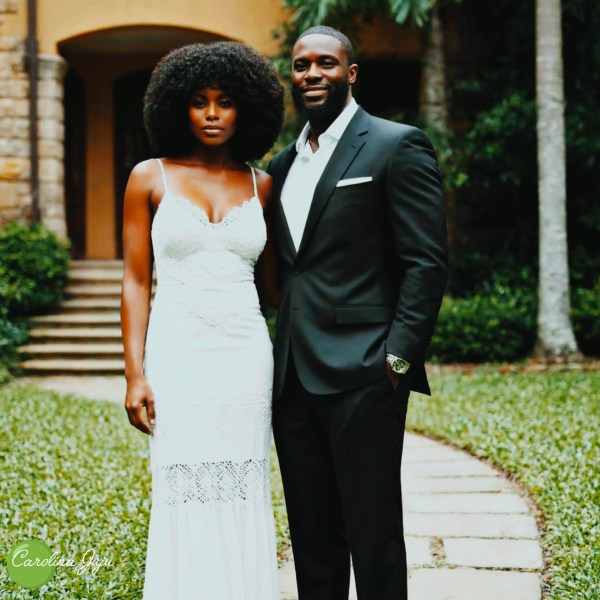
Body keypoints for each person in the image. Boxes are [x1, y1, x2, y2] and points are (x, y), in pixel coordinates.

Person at [267, 26, 448, 600]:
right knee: (312, 537)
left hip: (366, 373)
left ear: (350, 73)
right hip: (293, 378)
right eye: (301, 65)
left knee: (374, 534)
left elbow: (425, 261)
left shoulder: (396, 144)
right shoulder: (281, 165)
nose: (311, 74)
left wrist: (398, 359)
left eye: (325, 63)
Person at [120, 41, 283, 600]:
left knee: (244, 481)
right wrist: (134, 374)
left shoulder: (262, 185)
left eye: (225, 101)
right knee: (181, 481)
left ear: (247, 109)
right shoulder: (149, 177)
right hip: (178, 352)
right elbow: (135, 281)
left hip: (245, 356)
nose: (212, 114)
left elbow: (274, 289)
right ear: (177, 107)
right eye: (199, 101)